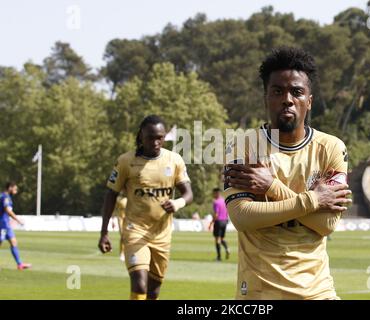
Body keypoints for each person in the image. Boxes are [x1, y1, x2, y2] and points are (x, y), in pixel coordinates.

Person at [223, 47, 352, 299]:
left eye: (297, 92)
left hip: (318, 292)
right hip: (260, 294)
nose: (288, 99)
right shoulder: (241, 147)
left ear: (309, 101)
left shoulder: (332, 148)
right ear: (266, 98)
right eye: (278, 91)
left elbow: (326, 224)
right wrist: (314, 200)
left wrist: (272, 187)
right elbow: (242, 218)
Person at [98, 115, 193, 300]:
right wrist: (103, 233)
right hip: (135, 231)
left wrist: (177, 202)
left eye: (160, 137)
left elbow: (188, 193)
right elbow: (111, 195)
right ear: (141, 135)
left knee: (153, 291)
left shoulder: (174, 160)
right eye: (151, 137)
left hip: (162, 235)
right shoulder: (126, 161)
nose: (156, 142)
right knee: (139, 284)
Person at [0, 182, 32, 270]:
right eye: (15, 189)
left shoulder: (6, 197)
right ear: (10, 187)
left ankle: (19, 264)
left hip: (6, 224)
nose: (16, 191)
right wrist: (17, 220)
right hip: (2, 224)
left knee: (14, 242)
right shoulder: (5, 197)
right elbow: (7, 210)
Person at [208, 188, 230, 261]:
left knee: (217, 240)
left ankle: (219, 257)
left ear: (217, 193)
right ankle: (227, 248)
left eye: (214, 193)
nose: (213, 195)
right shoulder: (224, 201)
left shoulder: (216, 202)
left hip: (218, 221)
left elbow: (216, 214)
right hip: (225, 221)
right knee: (222, 238)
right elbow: (227, 212)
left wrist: (211, 223)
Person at [112, 192, 127, 261]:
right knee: (123, 236)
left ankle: (128, 252)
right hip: (120, 218)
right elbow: (114, 209)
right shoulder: (118, 199)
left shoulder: (131, 198)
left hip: (129, 219)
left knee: (129, 236)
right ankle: (122, 253)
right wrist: (113, 220)